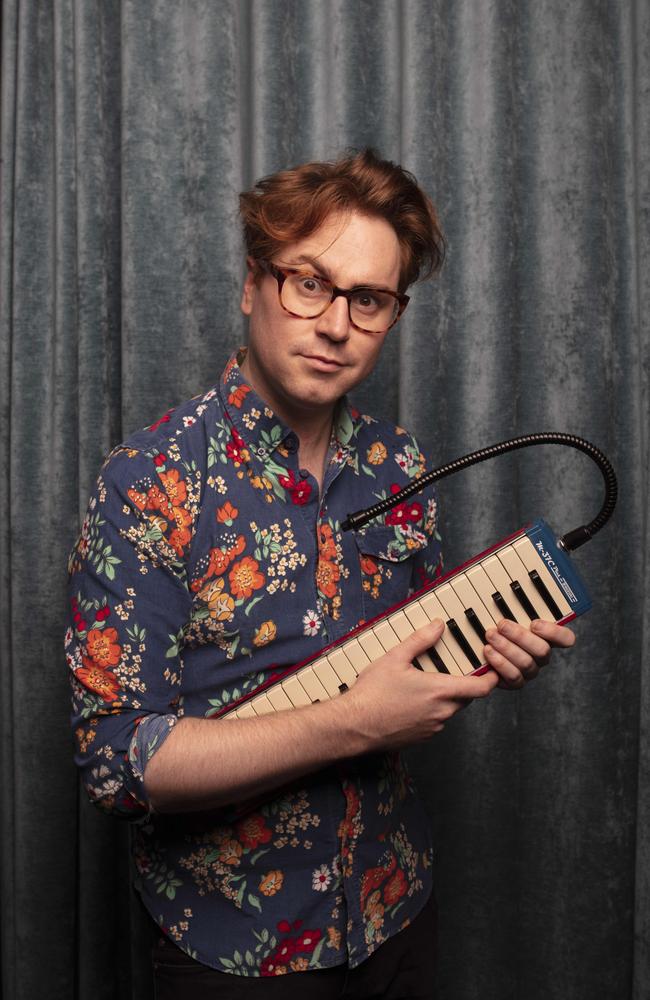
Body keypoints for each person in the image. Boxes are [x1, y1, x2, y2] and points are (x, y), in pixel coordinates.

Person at [66, 149, 575, 998]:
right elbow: (117, 764)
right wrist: (353, 721)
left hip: (396, 912)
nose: (335, 324)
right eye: (310, 282)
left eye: (368, 300)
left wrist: (499, 646)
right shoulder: (150, 482)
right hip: (234, 950)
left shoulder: (399, 463)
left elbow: (423, 649)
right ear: (252, 285)